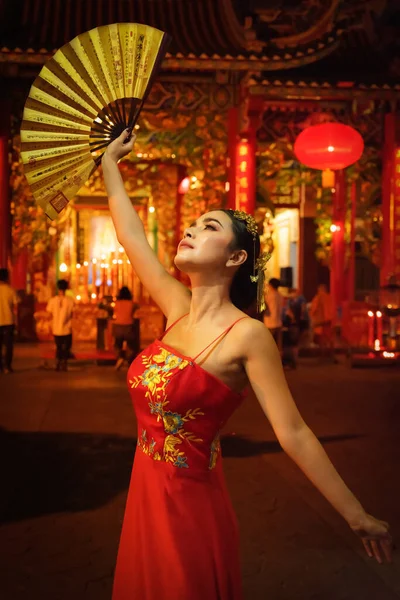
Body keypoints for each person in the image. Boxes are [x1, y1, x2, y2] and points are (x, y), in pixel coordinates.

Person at [103, 131, 392, 600]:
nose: (192, 229)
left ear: (237, 257)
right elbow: (130, 234)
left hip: (189, 508)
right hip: (145, 497)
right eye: (193, 224)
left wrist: (356, 515)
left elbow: (293, 432)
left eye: (210, 227)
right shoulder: (174, 307)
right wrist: (110, 164)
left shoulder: (249, 336)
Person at [46, 279, 74, 371]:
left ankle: (58, 362)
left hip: (56, 328)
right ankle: (64, 363)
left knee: (58, 347)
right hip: (67, 328)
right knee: (66, 347)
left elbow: (49, 314)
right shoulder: (70, 301)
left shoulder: (52, 300)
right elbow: (73, 314)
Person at [113, 286, 140, 369]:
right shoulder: (132, 304)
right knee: (131, 345)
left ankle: (120, 358)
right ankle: (128, 360)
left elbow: (114, 312)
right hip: (128, 326)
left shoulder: (116, 303)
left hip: (118, 326)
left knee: (117, 344)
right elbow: (137, 308)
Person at [0, 268, 18, 374]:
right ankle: (7, 366)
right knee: (8, 345)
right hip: (8, 321)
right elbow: (16, 308)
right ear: (7, 278)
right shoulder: (11, 290)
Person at [310, 284, 335, 357]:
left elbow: (313, 310)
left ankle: (322, 355)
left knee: (321, 340)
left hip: (320, 323)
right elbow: (333, 310)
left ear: (319, 290)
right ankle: (331, 355)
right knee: (329, 339)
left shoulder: (317, 298)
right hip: (329, 321)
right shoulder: (330, 297)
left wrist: (312, 317)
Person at [263, 277, 284, 351]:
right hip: (279, 322)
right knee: (279, 345)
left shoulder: (268, 295)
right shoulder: (280, 295)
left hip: (270, 323)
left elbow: (264, 306)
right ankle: (280, 360)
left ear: (271, 285)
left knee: (268, 344)